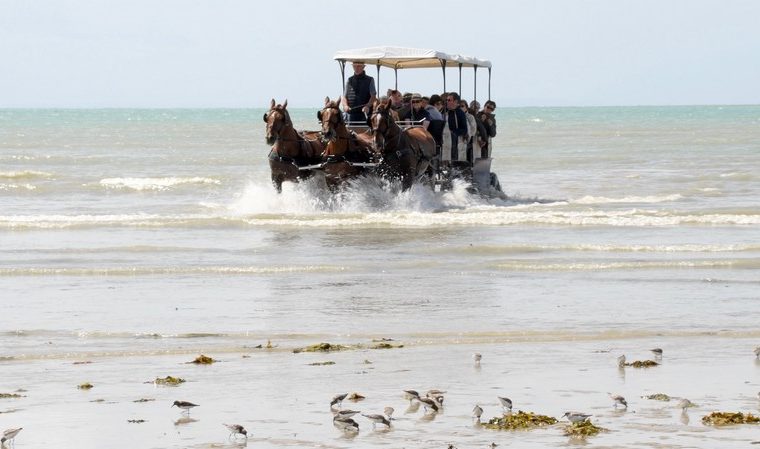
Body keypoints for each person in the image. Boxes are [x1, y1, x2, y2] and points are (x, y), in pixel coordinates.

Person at [441, 92, 468, 164]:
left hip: (455, 144)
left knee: (453, 163)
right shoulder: (444, 112)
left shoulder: (460, 113)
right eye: (446, 100)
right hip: (444, 142)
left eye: (449, 100)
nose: (447, 102)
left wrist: (453, 133)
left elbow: (465, 130)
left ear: (456, 102)